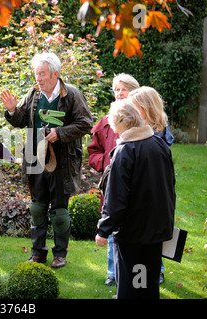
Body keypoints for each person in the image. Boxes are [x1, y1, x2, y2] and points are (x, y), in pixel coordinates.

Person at [0, 52, 93, 268]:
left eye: (42, 74)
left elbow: (86, 123)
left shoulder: (71, 95)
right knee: (37, 208)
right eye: (36, 74)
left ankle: (60, 254)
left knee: (60, 212)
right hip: (35, 160)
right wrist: (12, 109)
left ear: (55, 74)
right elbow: (21, 120)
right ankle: (38, 253)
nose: (38, 78)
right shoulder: (33, 94)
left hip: (62, 163)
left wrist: (60, 133)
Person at [95, 100, 176, 299]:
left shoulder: (125, 151)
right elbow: (171, 186)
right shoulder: (160, 144)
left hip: (133, 232)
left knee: (132, 287)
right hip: (157, 228)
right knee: (148, 286)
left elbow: (116, 198)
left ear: (120, 124)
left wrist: (103, 230)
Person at [87, 73, 139, 286]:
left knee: (141, 226)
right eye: (116, 89)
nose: (119, 93)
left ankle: (154, 270)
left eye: (123, 89)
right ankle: (113, 272)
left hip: (137, 185)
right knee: (112, 221)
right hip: (112, 185)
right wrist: (106, 166)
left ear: (133, 92)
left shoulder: (141, 119)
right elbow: (93, 152)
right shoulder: (105, 122)